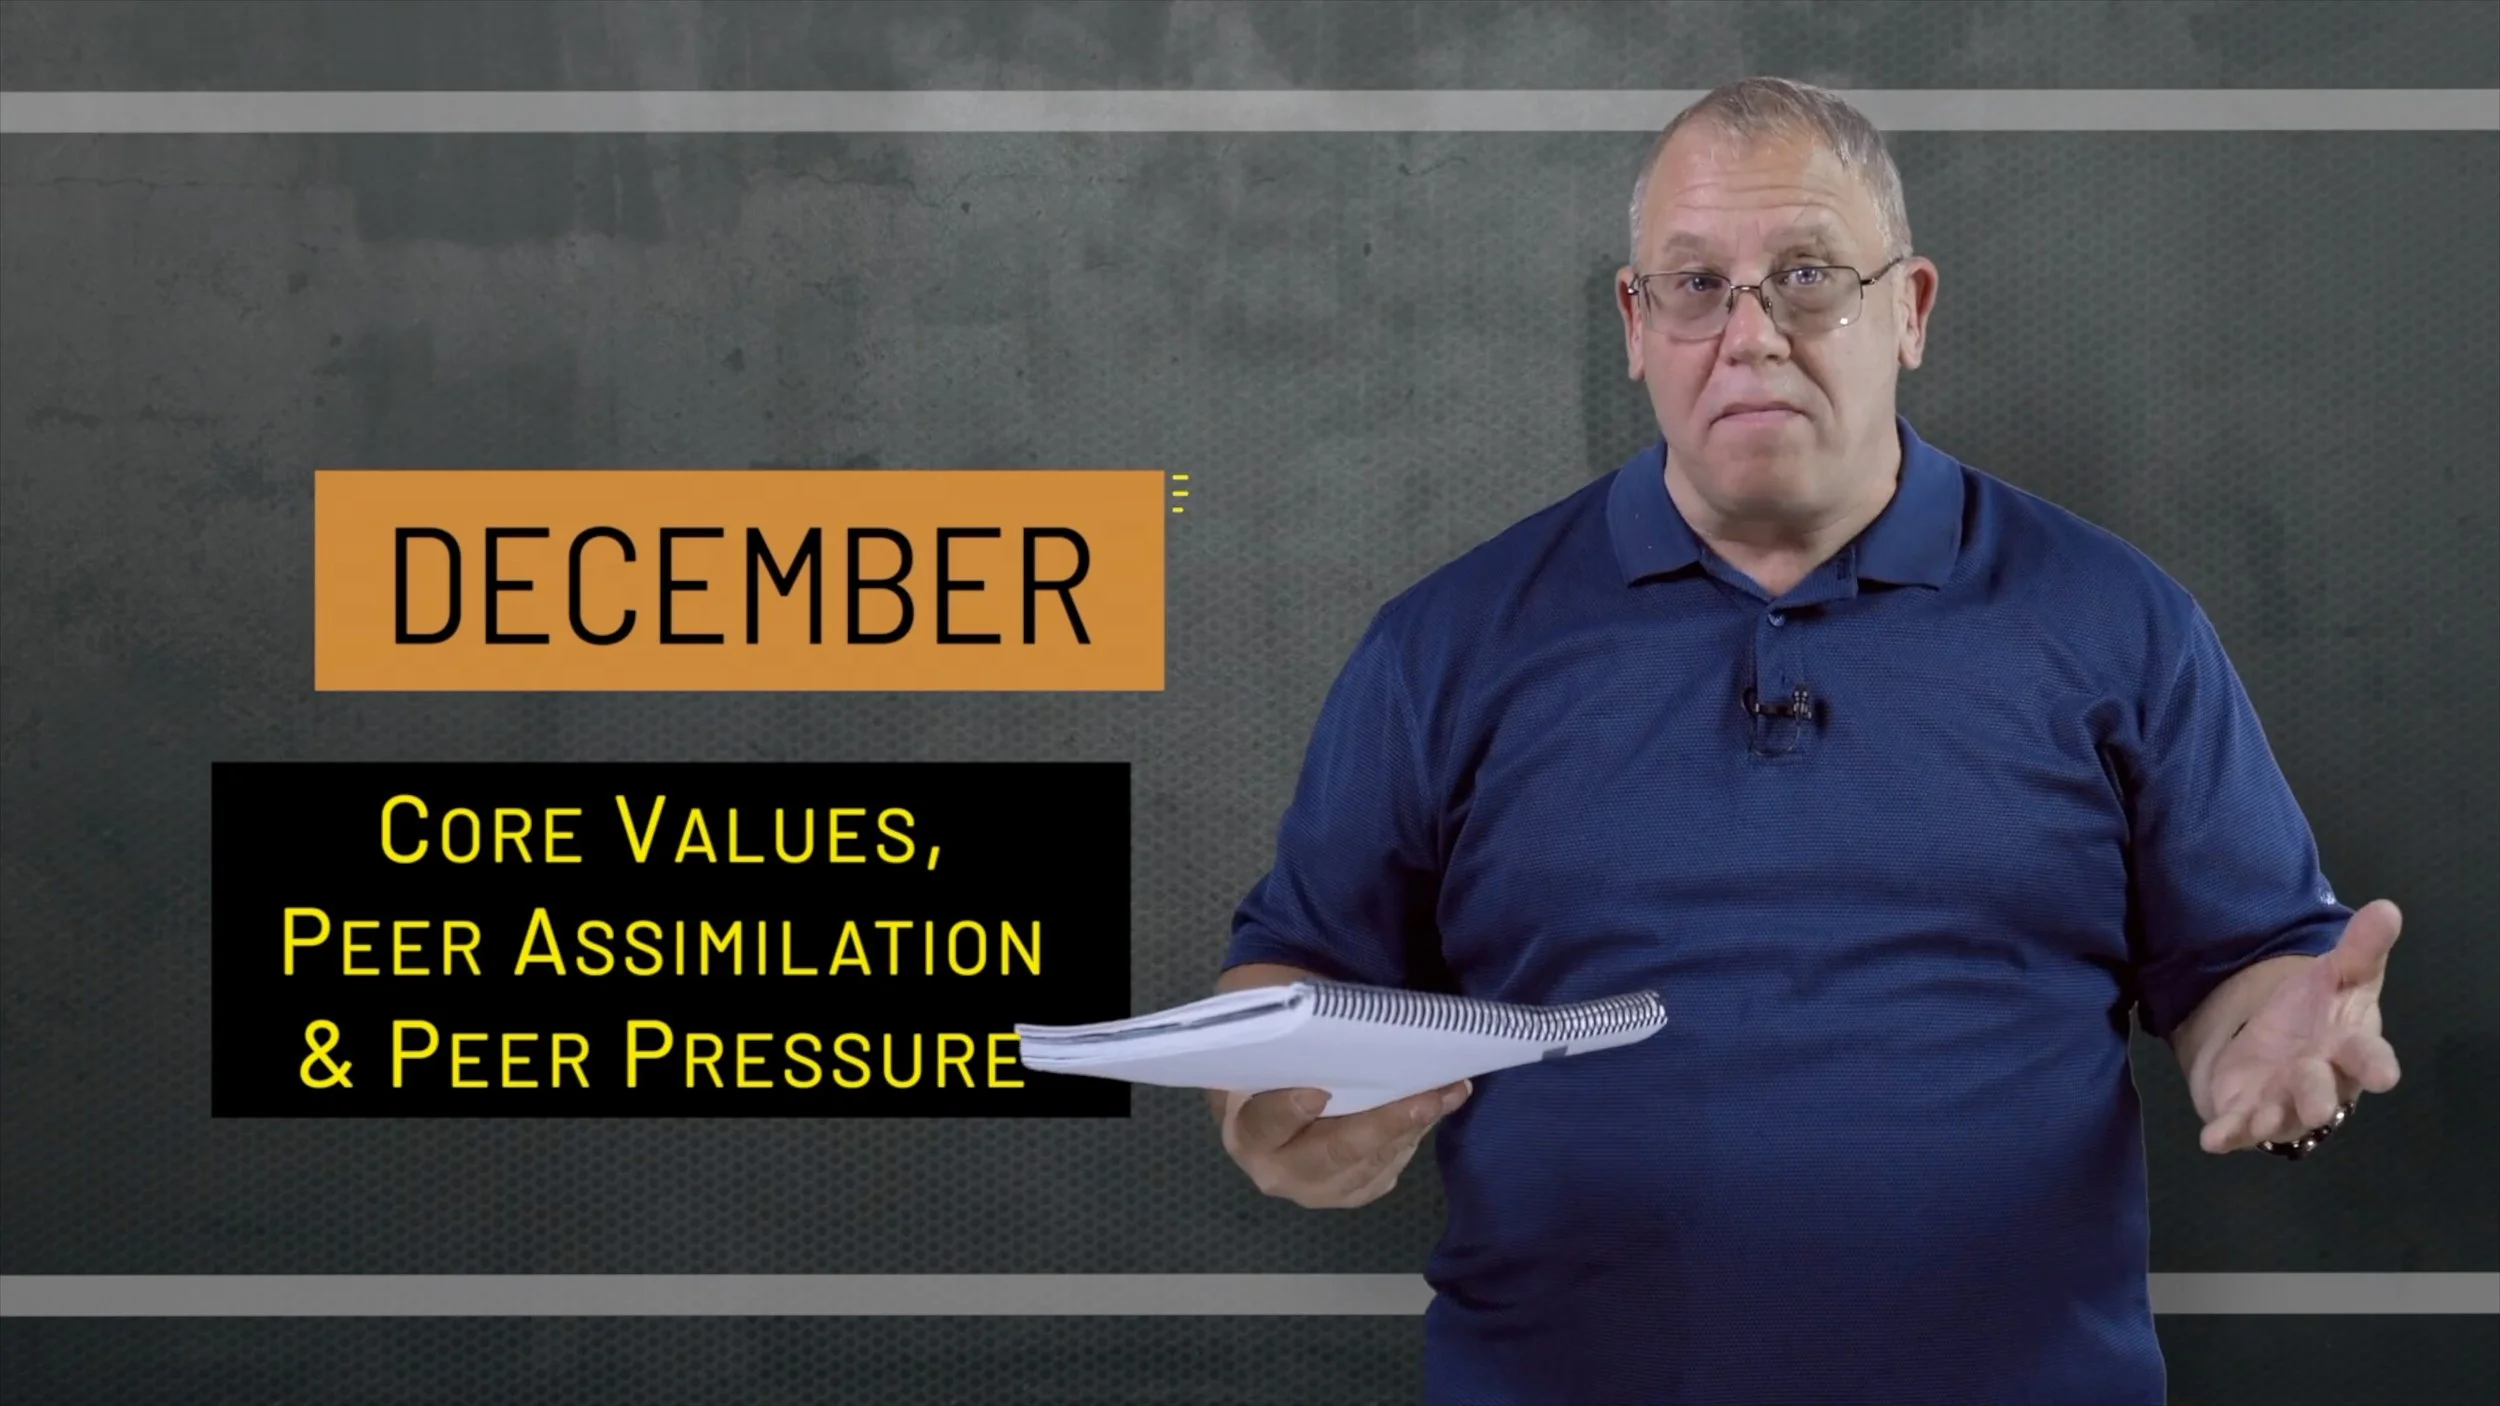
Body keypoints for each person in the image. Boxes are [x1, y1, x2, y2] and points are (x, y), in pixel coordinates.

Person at [1204, 76, 2404, 1405]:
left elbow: (2244, 969)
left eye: (1809, 275)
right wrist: (1274, 1105)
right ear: (1634, 323)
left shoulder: (2118, 625)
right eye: (1695, 284)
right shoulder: (1445, 645)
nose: (1752, 333)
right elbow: (1298, 971)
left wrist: (2274, 1038)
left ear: (1912, 309)